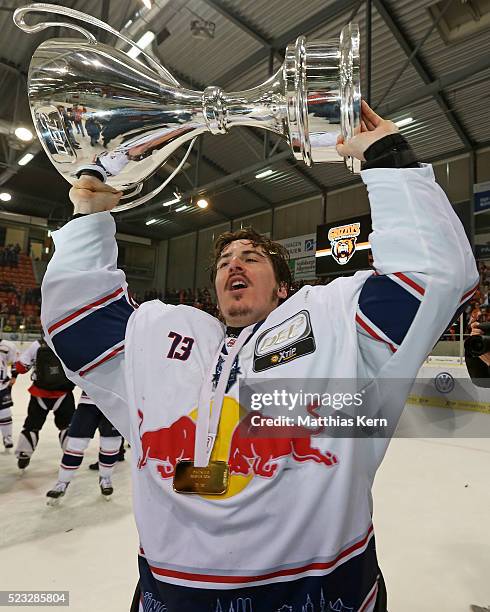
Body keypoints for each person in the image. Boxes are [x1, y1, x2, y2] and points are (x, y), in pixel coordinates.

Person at [41, 101, 478, 612]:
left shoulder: (332, 322)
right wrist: (90, 217)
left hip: (318, 596)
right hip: (173, 596)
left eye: (251, 258)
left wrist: (387, 160)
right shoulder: (165, 332)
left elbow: (429, 280)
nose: (234, 266)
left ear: (283, 287)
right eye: (225, 261)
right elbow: (77, 324)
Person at [46, 390, 123, 503]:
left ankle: (105, 478)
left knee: (111, 445)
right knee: (75, 444)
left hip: (116, 402)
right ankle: (62, 482)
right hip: (88, 402)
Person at [14, 336, 75, 470]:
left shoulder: (37, 344)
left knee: (32, 425)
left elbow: (20, 367)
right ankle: (71, 453)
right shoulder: (68, 340)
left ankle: (24, 452)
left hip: (40, 393)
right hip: (64, 393)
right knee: (67, 426)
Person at [0, 338, 19, 449]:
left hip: (2, 385)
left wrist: (14, 376)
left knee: (5, 412)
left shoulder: (7, 346)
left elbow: (15, 361)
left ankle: (7, 437)